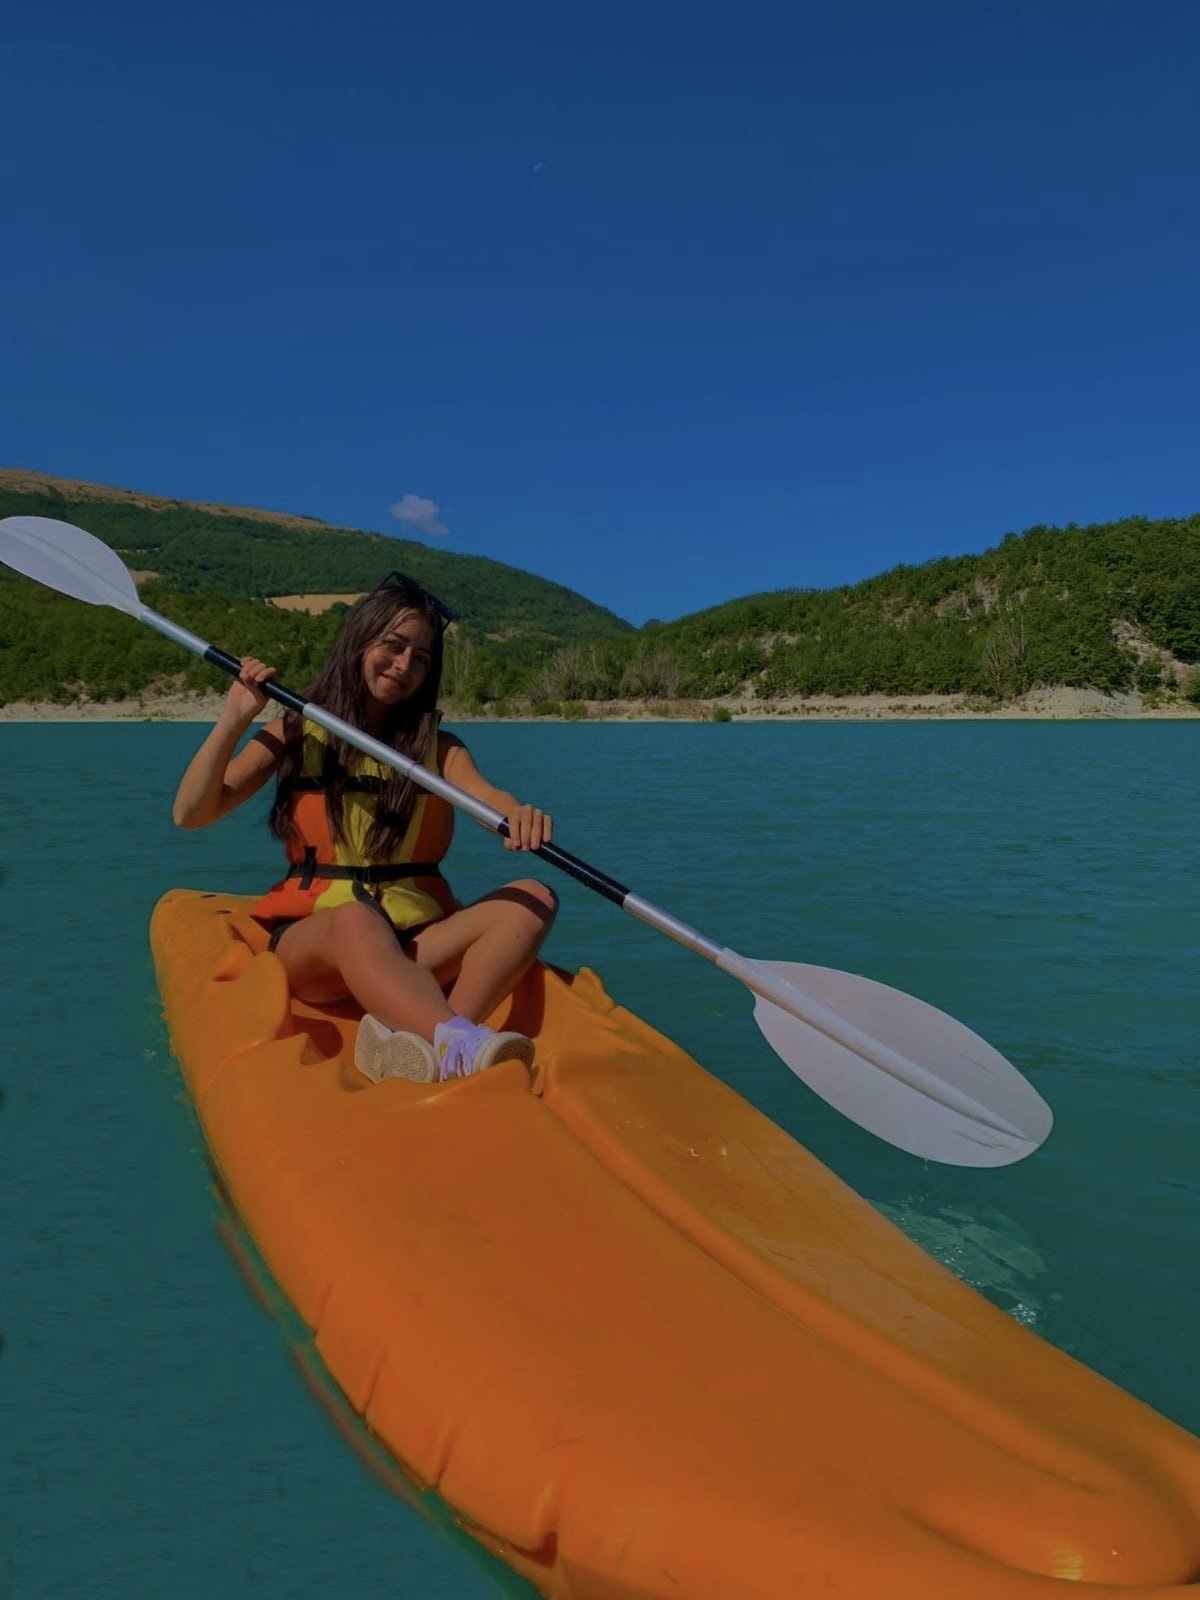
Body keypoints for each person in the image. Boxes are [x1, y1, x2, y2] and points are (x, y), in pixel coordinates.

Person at [172, 571, 559, 1084]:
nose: (403, 666)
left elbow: (489, 798)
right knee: (356, 919)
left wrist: (517, 815)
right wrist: (234, 719)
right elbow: (192, 813)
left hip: (412, 945)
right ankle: (455, 1043)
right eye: (393, 646)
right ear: (360, 640)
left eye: (420, 659)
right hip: (320, 948)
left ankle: (438, 1044)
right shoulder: (295, 728)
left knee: (533, 897)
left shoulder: (440, 749)